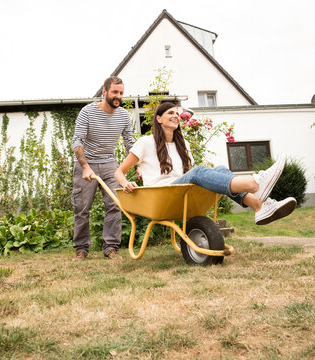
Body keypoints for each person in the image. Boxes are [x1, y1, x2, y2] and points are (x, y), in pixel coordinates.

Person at [114, 102, 297, 225]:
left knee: (221, 169)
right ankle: (254, 184)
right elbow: (119, 172)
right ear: (159, 118)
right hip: (161, 196)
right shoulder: (146, 142)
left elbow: (188, 173)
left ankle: (258, 206)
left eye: (177, 113)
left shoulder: (182, 145)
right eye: (171, 113)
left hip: (180, 192)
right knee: (198, 172)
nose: (176, 116)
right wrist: (125, 183)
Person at [71, 76, 135, 261]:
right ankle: (81, 249)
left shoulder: (123, 115)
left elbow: (130, 143)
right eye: (115, 92)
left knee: (115, 204)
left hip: (109, 164)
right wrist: (84, 167)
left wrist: (139, 165)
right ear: (104, 92)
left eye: (121, 93)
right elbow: (77, 141)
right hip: (87, 163)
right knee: (82, 208)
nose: (118, 96)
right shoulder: (87, 112)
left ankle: (111, 248)